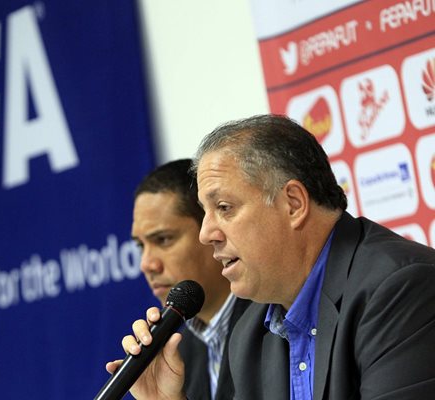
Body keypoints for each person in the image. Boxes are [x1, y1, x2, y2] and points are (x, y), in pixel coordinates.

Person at [108, 114, 435, 400]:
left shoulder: (400, 290)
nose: (207, 234)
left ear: (293, 203)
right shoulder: (251, 333)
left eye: (224, 208)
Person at [129, 159, 251, 399]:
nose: (146, 264)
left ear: (211, 231)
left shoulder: (277, 322)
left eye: (163, 239)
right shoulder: (177, 355)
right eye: (140, 245)